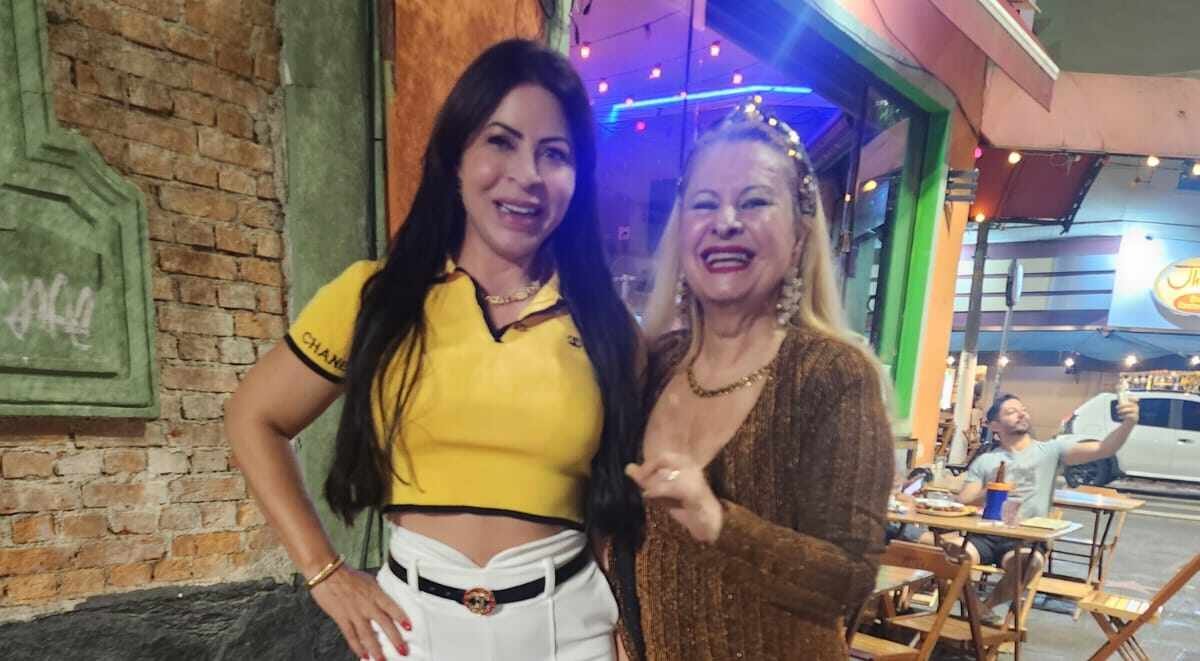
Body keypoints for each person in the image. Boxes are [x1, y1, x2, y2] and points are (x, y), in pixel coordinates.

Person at [226, 40, 642, 661]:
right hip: (412, 630)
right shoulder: (377, 297)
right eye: (500, 142)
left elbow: (626, 503)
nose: (527, 175)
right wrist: (325, 573)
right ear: (455, 158)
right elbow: (252, 416)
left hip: (570, 631)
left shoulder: (610, 329)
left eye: (555, 153)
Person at [612, 101, 894, 660]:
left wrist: (718, 522)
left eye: (755, 201)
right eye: (703, 204)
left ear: (799, 236)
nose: (725, 222)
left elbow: (850, 580)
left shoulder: (832, 374)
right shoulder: (652, 367)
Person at [956, 392, 1138, 621]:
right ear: (994, 425)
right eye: (1011, 412)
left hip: (1027, 537)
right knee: (947, 556)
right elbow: (964, 499)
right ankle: (975, 608)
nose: (1021, 414)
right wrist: (993, 490)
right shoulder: (987, 460)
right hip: (986, 533)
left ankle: (983, 608)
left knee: (1028, 563)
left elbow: (1104, 448)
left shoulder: (1051, 451)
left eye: (1023, 409)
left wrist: (1128, 424)